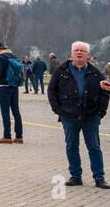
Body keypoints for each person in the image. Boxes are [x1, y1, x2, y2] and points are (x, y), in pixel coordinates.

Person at [47, 42, 110, 188]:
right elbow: (52, 91)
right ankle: (75, 176)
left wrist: (100, 112)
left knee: (94, 147)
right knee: (71, 146)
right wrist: (59, 111)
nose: (79, 53)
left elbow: (105, 92)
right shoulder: (61, 71)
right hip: (69, 116)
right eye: (76, 50)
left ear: (88, 55)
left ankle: (99, 178)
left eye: (83, 51)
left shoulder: (95, 73)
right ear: (71, 53)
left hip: (90, 116)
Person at [0, 42, 24, 144]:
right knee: (16, 111)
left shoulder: (1, 57)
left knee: (5, 112)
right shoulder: (13, 55)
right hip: (14, 86)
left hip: (4, 87)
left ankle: (7, 136)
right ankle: (19, 136)